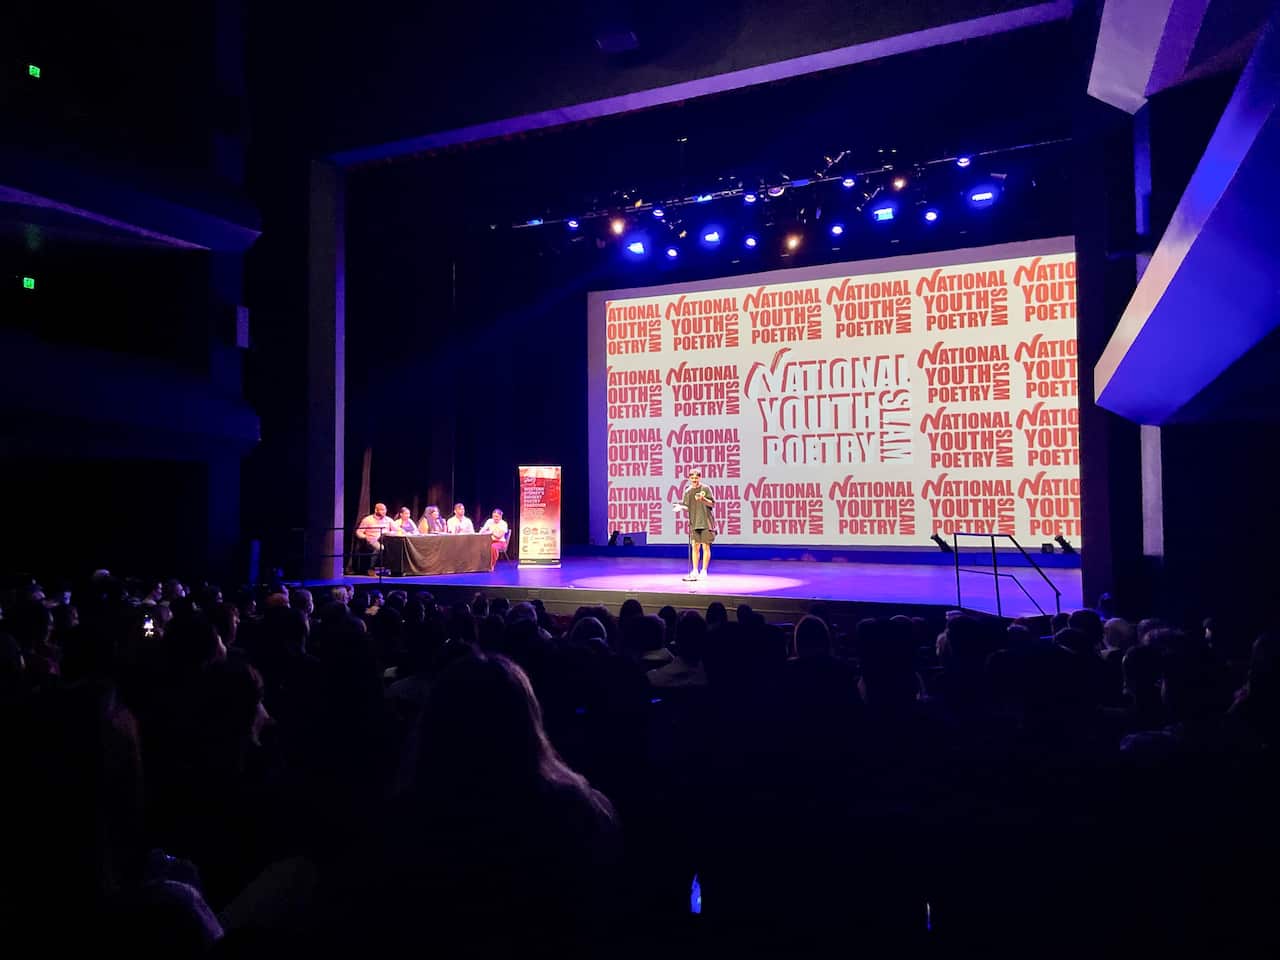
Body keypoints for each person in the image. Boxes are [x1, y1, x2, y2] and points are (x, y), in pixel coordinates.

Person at [672, 468, 715, 580]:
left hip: (706, 522)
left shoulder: (705, 488)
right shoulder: (688, 491)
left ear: (700, 478)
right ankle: (695, 570)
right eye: (692, 478)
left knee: (706, 546)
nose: (694, 480)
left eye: (696, 478)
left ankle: (704, 571)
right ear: (689, 478)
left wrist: (703, 499)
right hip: (694, 522)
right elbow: (687, 506)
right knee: (695, 546)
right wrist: (681, 507)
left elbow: (712, 504)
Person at [354, 502, 393, 573]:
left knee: (397, 547)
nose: (384, 511)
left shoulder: (389, 520)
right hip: (373, 540)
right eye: (382, 510)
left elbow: (397, 529)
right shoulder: (368, 520)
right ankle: (370, 569)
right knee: (380, 548)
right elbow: (359, 532)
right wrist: (366, 537)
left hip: (386, 540)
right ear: (376, 510)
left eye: (385, 510)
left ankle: (394, 569)